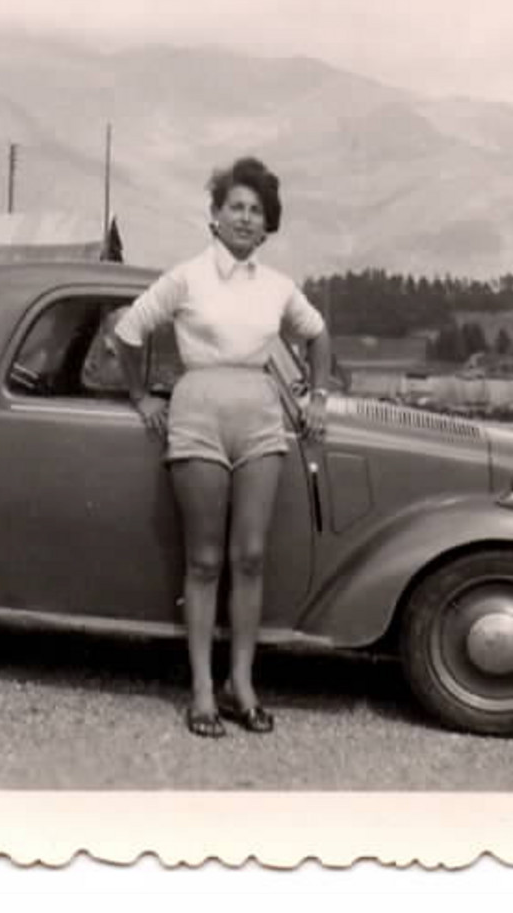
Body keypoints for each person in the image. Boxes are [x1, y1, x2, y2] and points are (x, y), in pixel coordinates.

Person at [113, 157, 332, 739]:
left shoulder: (278, 287)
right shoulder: (185, 278)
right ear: (214, 216)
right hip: (197, 412)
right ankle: (203, 690)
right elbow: (128, 332)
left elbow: (317, 335)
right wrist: (140, 396)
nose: (244, 217)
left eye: (255, 210)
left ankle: (243, 684)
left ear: (267, 226)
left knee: (251, 557)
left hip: (260, 415)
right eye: (234, 206)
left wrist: (319, 397)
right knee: (205, 559)